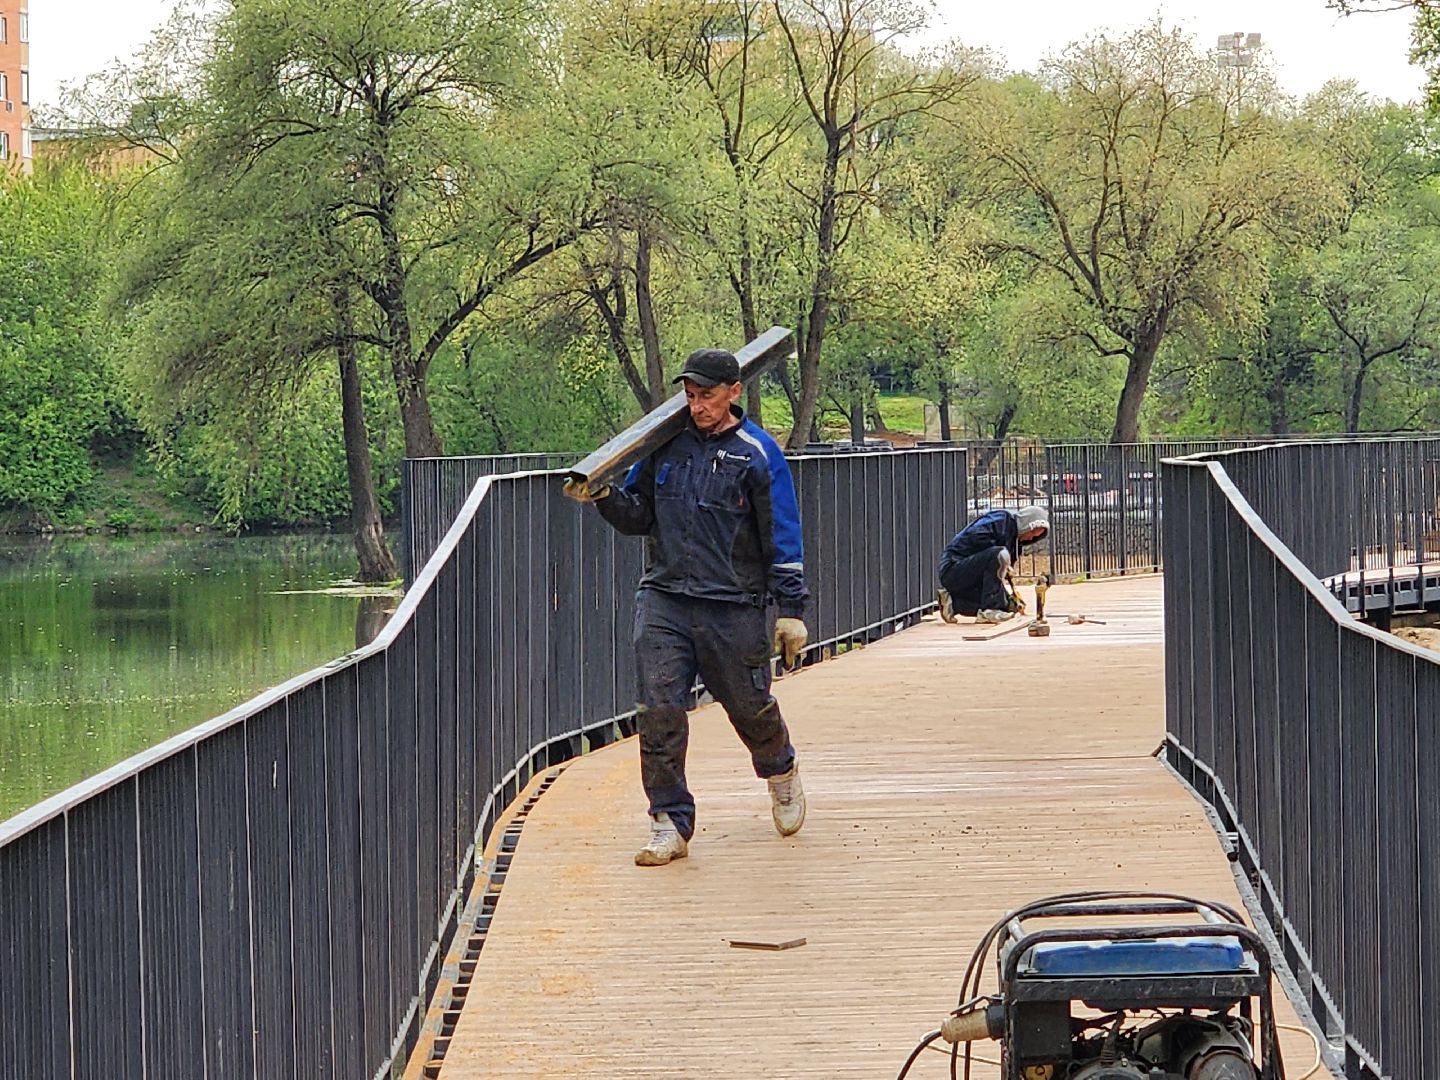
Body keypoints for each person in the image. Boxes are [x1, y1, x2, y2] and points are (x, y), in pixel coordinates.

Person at [570, 347, 810, 866]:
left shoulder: (758, 454)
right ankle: (669, 822)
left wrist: (791, 610)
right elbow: (638, 518)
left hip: (733, 605)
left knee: (749, 706)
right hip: (665, 598)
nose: (696, 405)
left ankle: (780, 769)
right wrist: (605, 496)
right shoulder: (665, 447)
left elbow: (782, 535)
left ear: (733, 393)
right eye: (690, 395)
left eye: (706, 396)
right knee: (658, 710)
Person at [936, 505, 1049, 624]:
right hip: (953, 569)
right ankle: (989, 611)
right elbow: (975, 536)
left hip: (970, 574)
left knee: (1007, 605)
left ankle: (952, 604)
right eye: (1031, 532)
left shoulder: (1015, 545)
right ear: (1026, 523)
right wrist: (998, 554)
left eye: (1035, 536)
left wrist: (1011, 598)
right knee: (1000, 555)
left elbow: (996, 576)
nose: (1030, 537)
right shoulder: (1001, 519)